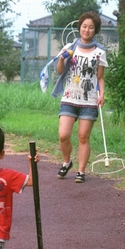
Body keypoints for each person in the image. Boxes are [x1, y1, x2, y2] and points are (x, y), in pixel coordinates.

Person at [53, 11, 108, 183]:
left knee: (83, 136)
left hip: (89, 100)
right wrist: (62, 59)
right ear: (79, 28)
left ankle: (81, 171)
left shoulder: (100, 52)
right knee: (63, 135)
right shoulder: (70, 47)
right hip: (69, 98)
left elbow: (99, 77)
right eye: (84, 26)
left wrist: (102, 94)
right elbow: (60, 70)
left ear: (95, 30)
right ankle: (66, 162)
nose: (87, 30)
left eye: (91, 27)